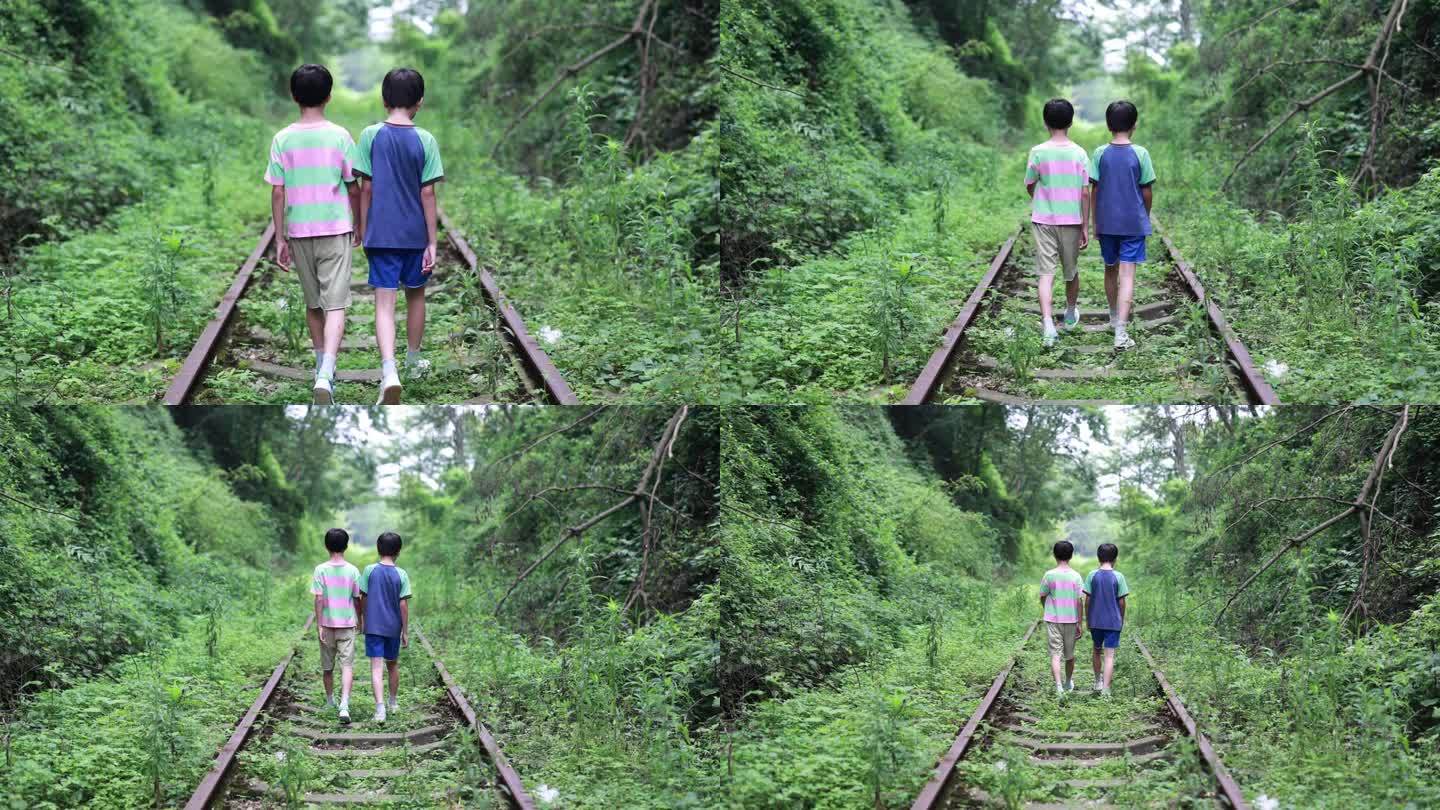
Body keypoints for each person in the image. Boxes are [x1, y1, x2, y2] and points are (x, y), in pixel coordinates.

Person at [265, 63, 361, 404]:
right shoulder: (340, 136)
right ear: (329, 96)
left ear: (293, 96)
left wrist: (280, 237)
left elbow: (278, 192)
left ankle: (320, 364)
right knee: (335, 304)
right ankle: (326, 373)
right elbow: (354, 187)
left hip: (300, 230)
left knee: (313, 303)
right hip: (335, 228)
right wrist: (360, 223)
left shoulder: (282, 139)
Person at [352, 67, 445, 404]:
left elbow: (366, 189)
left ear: (384, 99)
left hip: (381, 235)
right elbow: (428, 195)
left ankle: (389, 371)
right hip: (415, 236)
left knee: (384, 303)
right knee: (416, 296)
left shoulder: (369, 135)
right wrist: (432, 241)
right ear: (419, 102)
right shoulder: (426, 139)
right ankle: (414, 361)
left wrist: (362, 228)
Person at [1089, 100, 1156, 350]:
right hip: (1132, 224)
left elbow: (1094, 190)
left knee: (1110, 270)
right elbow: (1146, 191)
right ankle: (1121, 333)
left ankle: (1113, 316)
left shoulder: (1099, 153)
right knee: (1127, 275)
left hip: (1107, 224)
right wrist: (1144, 215)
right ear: (1134, 125)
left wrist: (1095, 222)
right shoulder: (1141, 153)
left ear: (1108, 125)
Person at [1024, 98, 1091, 348]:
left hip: (1044, 220)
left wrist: (1040, 199)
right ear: (1071, 122)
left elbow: (1030, 182)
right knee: (1070, 271)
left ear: (1045, 122)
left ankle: (1048, 325)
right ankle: (1071, 312)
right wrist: (1085, 225)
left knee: (1046, 273)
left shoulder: (1038, 151)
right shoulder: (1080, 153)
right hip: (1071, 220)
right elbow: (1085, 192)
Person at [359, 531, 413, 723]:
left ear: (378, 548)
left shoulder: (369, 570)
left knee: (376, 667)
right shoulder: (401, 574)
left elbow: (362, 598)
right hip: (393, 627)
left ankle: (380, 709)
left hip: (373, 627)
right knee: (392, 664)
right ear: (398, 551)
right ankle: (393, 702)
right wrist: (405, 631)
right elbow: (403, 605)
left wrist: (363, 619)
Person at [309, 528, 362, 723]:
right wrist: (360, 619)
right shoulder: (353, 570)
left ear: (326, 546)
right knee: (346, 665)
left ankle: (330, 701)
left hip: (327, 624)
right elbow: (357, 599)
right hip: (347, 624)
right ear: (346, 546)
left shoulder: (320, 569)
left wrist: (319, 624)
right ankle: (344, 705)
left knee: (327, 667)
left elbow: (319, 599)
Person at [1039, 540, 1085, 696]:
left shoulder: (1049, 575)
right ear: (1071, 556)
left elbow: (1043, 595)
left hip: (1053, 620)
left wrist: (1048, 608)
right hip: (1071, 620)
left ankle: (1058, 686)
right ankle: (1067, 682)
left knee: (1055, 654)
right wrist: (1080, 622)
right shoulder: (1076, 576)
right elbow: (1079, 601)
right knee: (1070, 655)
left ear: (1054, 555)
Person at [1084, 542, 1130, 697]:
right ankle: (1106, 689)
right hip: (1113, 622)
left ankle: (1097, 681)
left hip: (1096, 621)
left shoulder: (1092, 575)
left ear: (1098, 557)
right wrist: (1121, 620)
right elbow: (1122, 602)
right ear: (1115, 558)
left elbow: (1087, 600)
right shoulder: (1119, 576)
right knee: (1110, 655)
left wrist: (1087, 619)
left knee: (1096, 650)